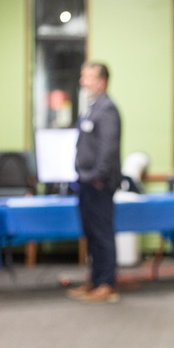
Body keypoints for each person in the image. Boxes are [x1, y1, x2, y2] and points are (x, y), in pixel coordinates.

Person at [67, 62, 121, 304]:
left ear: (102, 81)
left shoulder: (107, 109)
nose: (82, 81)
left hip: (98, 183)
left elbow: (108, 149)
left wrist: (96, 176)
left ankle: (107, 283)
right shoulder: (92, 108)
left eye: (87, 77)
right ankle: (96, 279)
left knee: (102, 234)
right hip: (87, 182)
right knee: (91, 234)